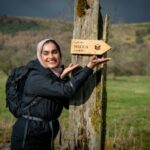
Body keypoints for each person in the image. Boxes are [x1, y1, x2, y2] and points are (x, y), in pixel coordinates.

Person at [10, 38, 111, 150]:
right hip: (28, 133)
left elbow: (67, 103)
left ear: (60, 54)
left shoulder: (52, 76)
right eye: (45, 53)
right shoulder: (36, 78)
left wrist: (61, 77)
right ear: (39, 56)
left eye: (55, 52)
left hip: (47, 132)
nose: (51, 57)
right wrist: (89, 68)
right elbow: (66, 90)